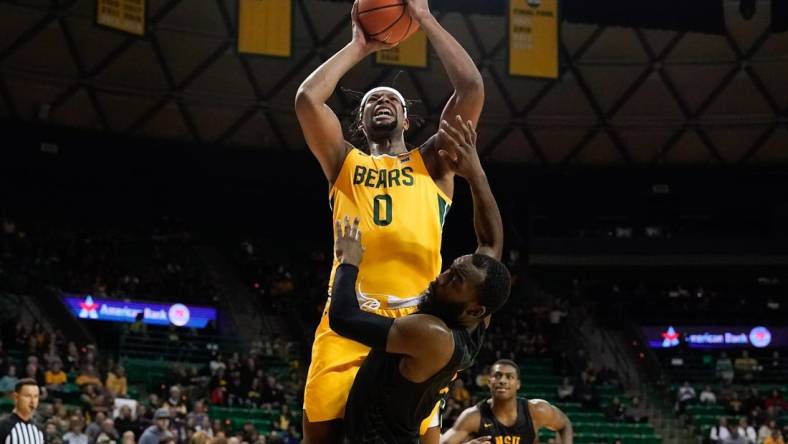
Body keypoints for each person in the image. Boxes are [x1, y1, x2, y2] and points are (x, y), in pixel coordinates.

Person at [295, 0, 485, 440]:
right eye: (371, 101)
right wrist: (361, 44)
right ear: (360, 123)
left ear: (407, 118)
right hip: (347, 321)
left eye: (391, 100)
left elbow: (472, 88)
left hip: (415, 330)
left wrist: (423, 18)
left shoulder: (435, 163)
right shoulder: (343, 161)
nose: (382, 100)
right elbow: (307, 100)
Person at [440, 360, 573, 444]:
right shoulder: (473, 417)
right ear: (489, 382)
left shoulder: (536, 410)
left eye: (509, 377)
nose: (503, 380)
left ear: (518, 384)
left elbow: (564, 424)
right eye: (498, 376)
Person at [0, 379, 45, 444]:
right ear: (16, 397)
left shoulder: (40, 429)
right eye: (28, 396)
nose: (32, 401)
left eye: (36, 396)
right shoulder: (3, 426)